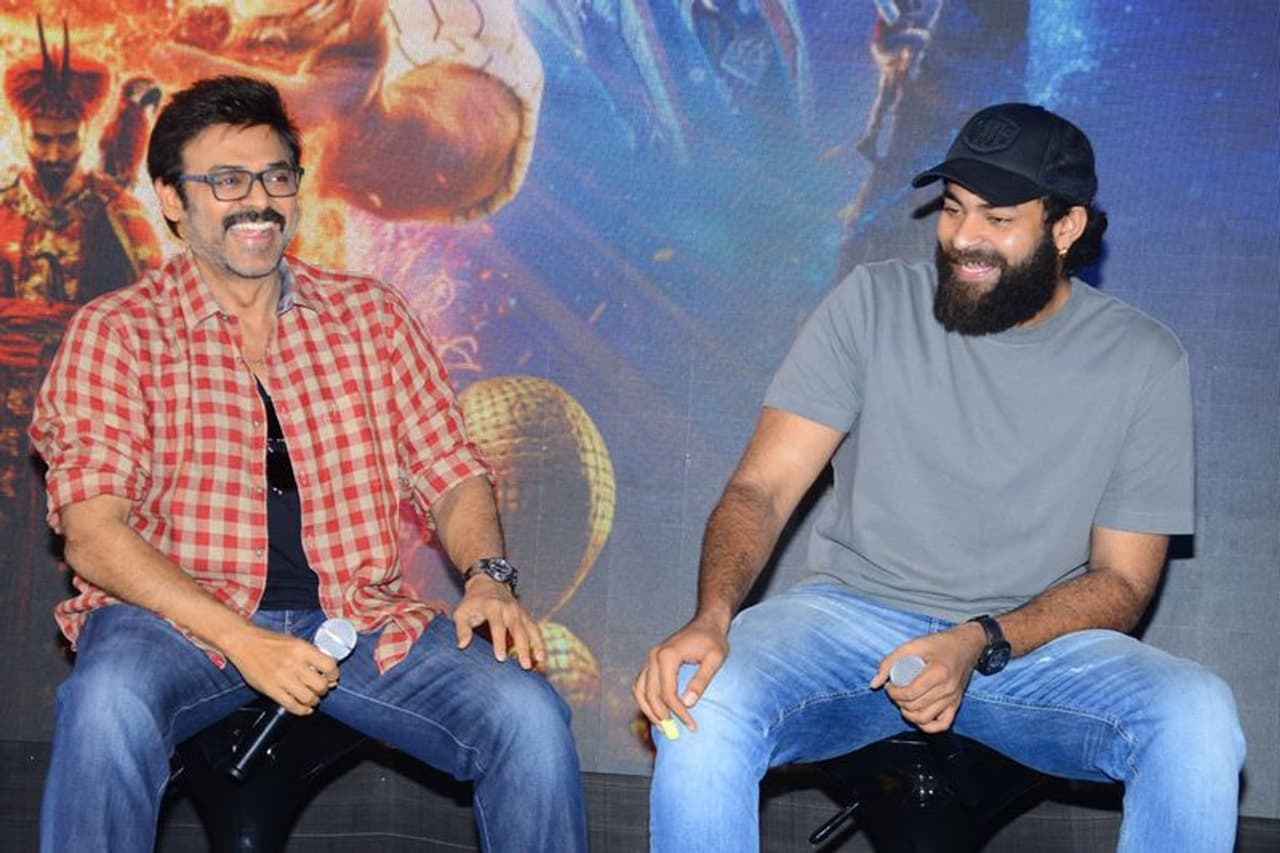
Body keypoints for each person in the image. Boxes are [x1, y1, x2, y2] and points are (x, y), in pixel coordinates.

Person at [634, 102, 1245, 852]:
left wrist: (981, 638)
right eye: (953, 208)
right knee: (700, 698)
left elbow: (1122, 582)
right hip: (848, 622)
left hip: (1031, 648)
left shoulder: (1144, 358)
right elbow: (761, 489)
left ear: (1066, 227)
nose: (962, 237)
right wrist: (712, 614)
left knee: (1197, 714)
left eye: (998, 218)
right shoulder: (872, 302)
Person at [29, 75, 586, 852]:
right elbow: (92, 535)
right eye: (227, 181)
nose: (258, 200)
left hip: (355, 620)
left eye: (276, 177)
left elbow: (452, 471)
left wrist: (489, 577)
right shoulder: (116, 332)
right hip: (174, 621)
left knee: (528, 714)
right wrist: (242, 638)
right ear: (171, 199)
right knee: (104, 705)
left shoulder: (371, 316)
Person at [0, 16, 160, 303]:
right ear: (21, 133)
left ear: (86, 133)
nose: (54, 155)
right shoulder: (4, 203)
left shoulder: (117, 208)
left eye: (68, 139)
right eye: (41, 139)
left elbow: (155, 305)